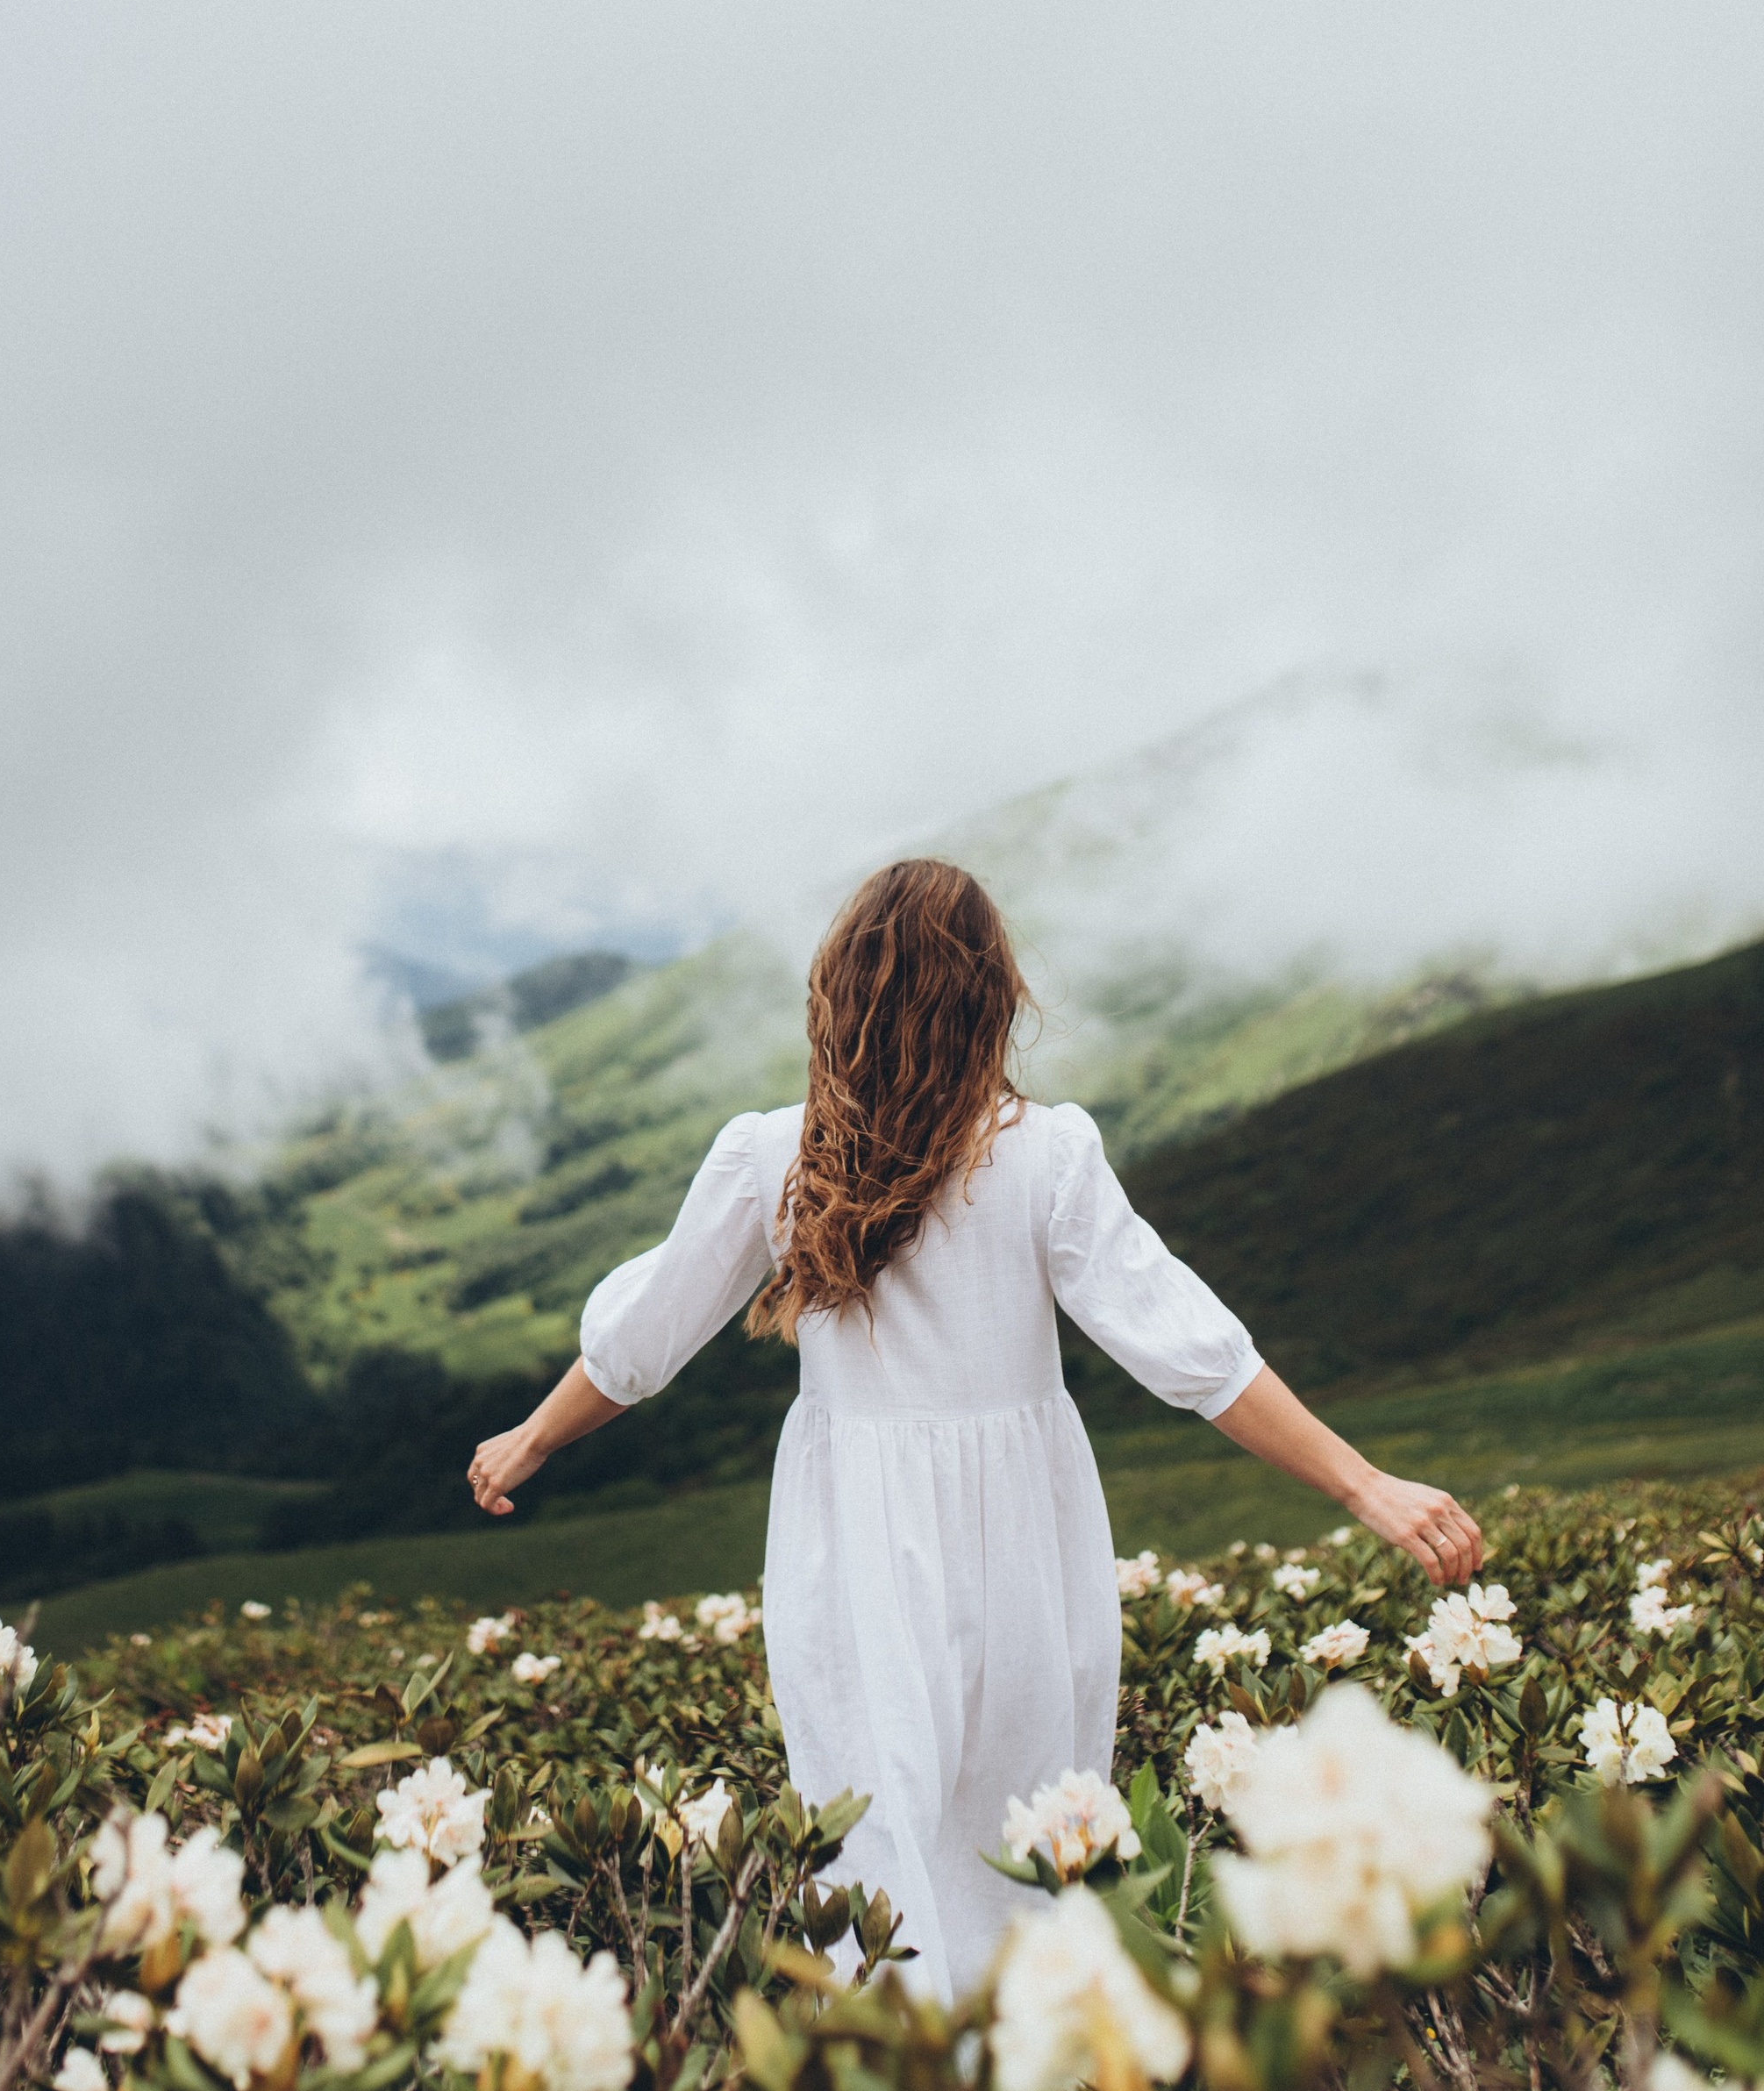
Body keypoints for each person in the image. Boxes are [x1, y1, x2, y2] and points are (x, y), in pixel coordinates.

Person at [463, 858, 1485, 2002]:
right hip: (1025, 1542)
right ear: (992, 1000)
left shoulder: (775, 1159)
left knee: (872, 1834)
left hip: (852, 1537)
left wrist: (534, 1439)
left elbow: (643, 1341)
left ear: (837, 1001)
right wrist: (1361, 1486)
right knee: (1026, 1819)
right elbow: (1192, 1348)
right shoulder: (1040, 1156)